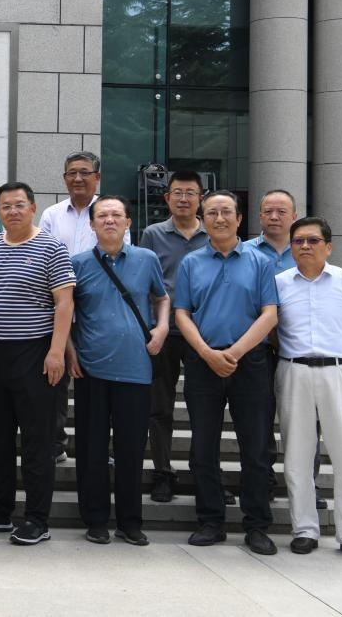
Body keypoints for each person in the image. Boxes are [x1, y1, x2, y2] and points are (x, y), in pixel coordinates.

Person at [0, 182, 74, 546]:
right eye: (5, 206)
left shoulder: (52, 247)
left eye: (18, 205)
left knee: (37, 442)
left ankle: (37, 519)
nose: (12, 211)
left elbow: (64, 303)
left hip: (37, 354)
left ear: (32, 207)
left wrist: (56, 352)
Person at [174, 190, 279, 555]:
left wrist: (234, 353)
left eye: (226, 212)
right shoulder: (191, 263)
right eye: (212, 213)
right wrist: (206, 353)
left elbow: (270, 314)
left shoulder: (260, 262)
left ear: (239, 218)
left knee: (256, 447)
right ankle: (210, 520)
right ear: (203, 220)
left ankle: (257, 525)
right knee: (203, 447)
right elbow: (181, 313)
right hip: (203, 362)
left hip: (249, 363)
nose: (219, 218)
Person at [69, 195, 169, 547]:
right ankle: (95, 520)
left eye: (116, 215)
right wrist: (69, 351)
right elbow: (65, 312)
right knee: (92, 449)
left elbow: (161, 298)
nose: (109, 220)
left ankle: (130, 521)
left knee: (130, 449)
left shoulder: (146, 259)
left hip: (135, 368)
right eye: (102, 216)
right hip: (91, 368)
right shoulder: (77, 264)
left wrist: (162, 328)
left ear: (128, 222)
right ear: (92, 224)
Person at [275, 217, 342, 562]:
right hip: (294, 372)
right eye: (298, 240)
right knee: (297, 456)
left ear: (328, 247)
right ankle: (305, 530)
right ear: (291, 247)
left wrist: (340, 353)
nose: (305, 246)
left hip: (338, 372)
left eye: (313, 240)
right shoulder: (279, 283)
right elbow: (272, 329)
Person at [37, 151, 127, 465]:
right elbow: (42, 257)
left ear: (97, 177)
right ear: (64, 178)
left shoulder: (110, 212)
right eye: (72, 173)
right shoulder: (51, 214)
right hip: (57, 310)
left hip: (97, 313)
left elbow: (120, 258)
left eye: (85, 172)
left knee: (102, 383)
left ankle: (102, 447)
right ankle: (55, 444)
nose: (78, 178)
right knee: (55, 380)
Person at [138, 169, 208, 502]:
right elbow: (144, 283)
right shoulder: (153, 234)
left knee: (203, 409)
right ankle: (163, 473)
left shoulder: (213, 233)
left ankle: (205, 473)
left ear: (200, 198)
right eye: (177, 192)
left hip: (202, 334)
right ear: (167, 198)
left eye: (190, 193)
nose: (183, 199)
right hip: (162, 333)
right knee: (159, 407)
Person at [244, 189, 312, 504]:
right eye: (268, 211)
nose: (274, 217)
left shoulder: (306, 251)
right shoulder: (244, 253)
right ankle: (265, 480)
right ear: (259, 216)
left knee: (305, 422)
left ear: (294, 216)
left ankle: (308, 485)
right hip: (257, 349)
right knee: (259, 420)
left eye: (281, 212)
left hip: (298, 349)